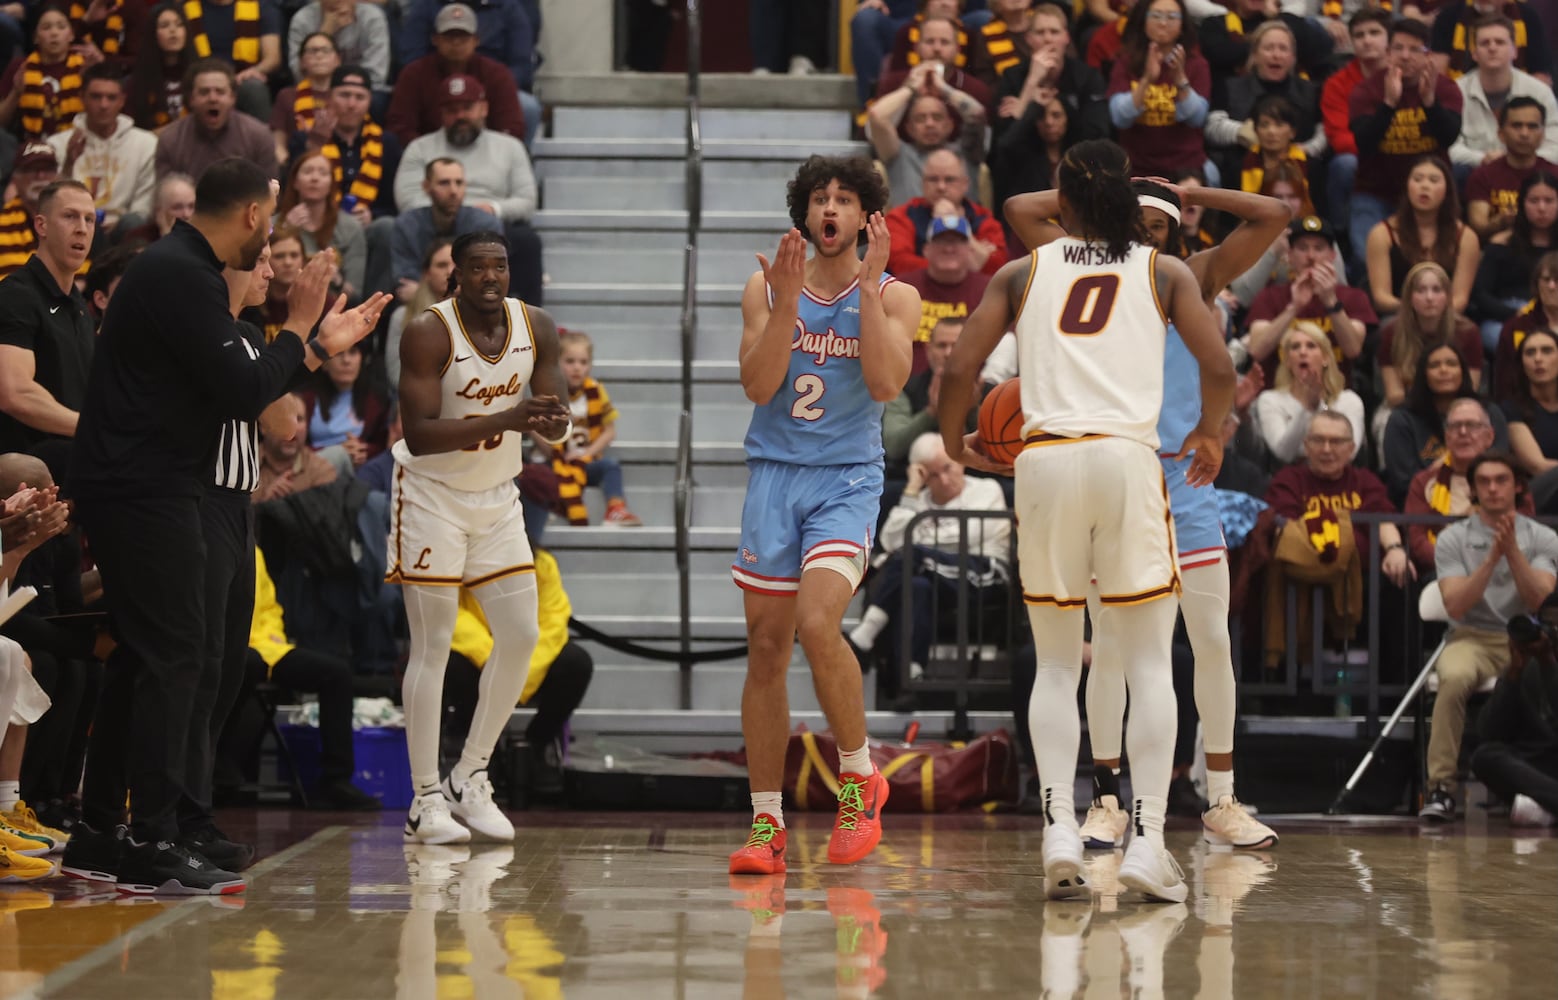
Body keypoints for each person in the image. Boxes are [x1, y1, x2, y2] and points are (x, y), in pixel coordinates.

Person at [63, 157, 386, 894]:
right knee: (176, 659)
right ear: (249, 217)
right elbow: (245, 390)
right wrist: (303, 329)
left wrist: (312, 343)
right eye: (269, 222)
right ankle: (153, 835)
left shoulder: (187, 273)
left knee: (155, 660)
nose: (270, 239)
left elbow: (246, 382)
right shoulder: (181, 274)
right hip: (147, 489)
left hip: (159, 487)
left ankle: (105, 830)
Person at [939, 139, 1235, 902]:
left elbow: (958, 368)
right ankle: (1144, 841)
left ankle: (1060, 829)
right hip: (1125, 460)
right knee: (1145, 662)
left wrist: (956, 446)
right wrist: (1208, 433)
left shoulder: (1020, 270)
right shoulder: (1163, 270)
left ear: (1063, 201)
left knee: (1059, 663)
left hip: (1043, 461)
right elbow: (1219, 367)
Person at [1005, 176, 1289, 852]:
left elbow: (1277, 213)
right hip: (1117, 471)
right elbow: (1019, 208)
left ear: (1179, 233)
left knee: (1211, 638)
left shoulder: (1188, 276)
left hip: (1183, 475)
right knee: (1110, 653)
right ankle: (1107, 799)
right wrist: (1102, 189)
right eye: (1138, 223)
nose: (1149, 236)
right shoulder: (1078, 267)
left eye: (1161, 226)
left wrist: (1195, 190)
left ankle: (1220, 795)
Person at [726, 155, 918, 876]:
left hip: (845, 481)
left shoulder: (898, 296)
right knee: (767, 649)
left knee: (816, 622)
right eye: (818, 199)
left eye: (844, 199)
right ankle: (767, 825)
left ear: (867, 217)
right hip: (775, 477)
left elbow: (884, 381)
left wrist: (867, 291)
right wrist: (782, 306)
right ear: (803, 215)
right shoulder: (764, 286)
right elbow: (759, 384)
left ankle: (860, 778)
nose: (829, 210)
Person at [388, 229, 570, 846]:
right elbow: (418, 435)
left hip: (497, 498)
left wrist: (556, 421)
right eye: (478, 268)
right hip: (431, 497)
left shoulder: (536, 325)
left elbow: (555, 411)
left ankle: (470, 775)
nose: (491, 277)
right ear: (454, 278)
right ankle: (423, 798)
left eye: (500, 266)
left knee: (520, 634)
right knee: (433, 645)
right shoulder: (428, 333)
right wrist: (512, 417)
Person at [1423, 450, 1558, 821]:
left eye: (1502, 480)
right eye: (1484, 481)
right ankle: (1441, 789)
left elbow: (1540, 599)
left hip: (1531, 638)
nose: (1494, 488)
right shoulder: (1453, 538)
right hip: (1472, 636)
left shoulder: (1543, 538)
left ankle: (1539, 779)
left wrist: (1512, 552)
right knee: (1452, 678)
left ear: (1517, 486)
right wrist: (1490, 559)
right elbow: (1455, 606)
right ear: (1474, 488)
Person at [847, 431, 1010, 703]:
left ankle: (865, 636)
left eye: (947, 468)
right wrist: (911, 490)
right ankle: (913, 676)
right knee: (915, 585)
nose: (944, 480)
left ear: (959, 462)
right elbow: (889, 541)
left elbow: (968, 536)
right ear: (923, 476)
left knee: (911, 555)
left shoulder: (987, 490)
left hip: (985, 574)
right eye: (933, 475)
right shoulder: (920, 503)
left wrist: (921, 543)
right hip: (937, 579)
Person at [445, 545, 594, 796]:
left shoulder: (542, 563)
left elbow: (553, 621)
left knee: (576, 662)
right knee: (453, 664)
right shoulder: (454, 559)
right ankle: (482, 756)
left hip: (527, 658)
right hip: (480, 656)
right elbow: (453, 615)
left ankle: (535, 747)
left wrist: (520, 670)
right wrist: (493, 657)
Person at [394, 74, 543, 305]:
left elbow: (526, 201)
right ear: (441, 114)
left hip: (487, 223)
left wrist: (491, 208)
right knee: (391, 230)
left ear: (484, 108)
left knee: (525, 240)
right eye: (452, 110)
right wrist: (446, 207)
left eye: (467, 108)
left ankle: (525, 318)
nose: (460, 116)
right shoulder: (419, 148)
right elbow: (407, 197)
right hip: (430, 223)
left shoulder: (510, 147)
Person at [1347, 19, 1464, 270]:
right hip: (1376, 192)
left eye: (1414, 50)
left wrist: (1430, 102)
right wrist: (1388, 104)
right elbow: (1364, 143)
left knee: (1438, 264)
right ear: (1388, 53)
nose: (1405, 56)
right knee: (1364, 258)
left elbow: (1449, 137)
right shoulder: (1366, 90)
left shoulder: (1445, 87)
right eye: (1398, 48)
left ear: (1428, 56)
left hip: (1431, 194)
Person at [0, 180, 96, 457]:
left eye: (89, 219)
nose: (82, 228)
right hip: (26, 466)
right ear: (41, 226)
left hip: (78, 458)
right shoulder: (15, 296)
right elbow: (14, 393)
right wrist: (92, 427)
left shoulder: (79, 305)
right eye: (70, 216)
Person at [1470, 590, 1558, 828]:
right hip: (1536, 769)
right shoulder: (1528, 664)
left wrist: (1549, 664)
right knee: (1485, 757)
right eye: (1547, 624)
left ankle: (1547, 806)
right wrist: (1513, 674)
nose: (1551, 633)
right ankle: (1549, 804)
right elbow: (1488, 732)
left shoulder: (1545, 661)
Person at [46, 63, 157, 243]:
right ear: (82, 98)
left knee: (133, 222)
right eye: (96, 97)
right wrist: (68, 164)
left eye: (111, 98)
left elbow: (144, 205)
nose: (103, 105)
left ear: (122, 100)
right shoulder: (58, 144)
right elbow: (50, 204)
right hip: (74, 231)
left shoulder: (146, 144)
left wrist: (119, 223)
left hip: (124, 231)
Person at [1106, 0, 1214, 181]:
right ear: (1144, 22)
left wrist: (1180, 79)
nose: (1163, 23)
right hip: (1137, 167)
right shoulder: (1125, 62)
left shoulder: (1197, 64)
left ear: (1182, 25)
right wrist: (1147, 79)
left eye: (1171, 17)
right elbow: (1120, 118)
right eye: (1156, 16)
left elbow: (1197, 118)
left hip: (1186, 167)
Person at [545, 330, 642, 527]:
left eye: (583, 362)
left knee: (610, 466)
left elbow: (609, 431)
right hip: (555, 461)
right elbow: (535, 431)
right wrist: (557, 451)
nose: (577, 368)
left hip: (586, 460)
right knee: (538, 471)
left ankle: (615, 509)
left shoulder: (595, 391)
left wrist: (586, 454)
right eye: (570, 361)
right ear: (557, 363)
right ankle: (546, 508)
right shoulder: (548, 392)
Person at [1364, 156, 1481, 317]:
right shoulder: (1381, 234)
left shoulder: (1466, 237)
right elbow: (1381, 298)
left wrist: (1434, 316)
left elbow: (1459, 300)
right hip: (1399, 316)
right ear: (1407, 187)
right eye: (1417, 180)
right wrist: (1419, 312)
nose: (1424, 186)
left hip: (1447, 318)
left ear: (1447, 190)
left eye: (1434, 180)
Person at [1321, 9, 1392, 245]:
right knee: (1344, 163)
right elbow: (1339, 138)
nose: (1367, 39)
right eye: (1360, 35)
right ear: (1352, 42)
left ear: (1389, 39)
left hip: (1401, 156)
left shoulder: (1404, 75)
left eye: (1374, 32)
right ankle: (1340, 237)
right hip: (1359, 161)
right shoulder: (1337, 83)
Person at [1254, 322, 1368, 465]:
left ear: (1326, 358)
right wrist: (1307, 407)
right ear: (1288, 361)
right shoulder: (1270, 400)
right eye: (1295, 347)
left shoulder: (1349, 400)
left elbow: (1350, 452)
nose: (1302, 352)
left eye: (1311, 346)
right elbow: (1283, 454)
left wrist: (1318, 406)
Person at [1473, 171, 1558, 353]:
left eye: (1549, 201)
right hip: (1507, 315)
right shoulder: (1501, 243)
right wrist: (1515, 315)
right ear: (1522, 204)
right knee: (1505, 339)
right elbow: (1480, 294)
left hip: (1555, 313)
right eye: (1534, 201)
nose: (1541, 208)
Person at [153, 58, 277, 182]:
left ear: (232, 98)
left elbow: (270, 193)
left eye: (220, 92)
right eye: (204, 92)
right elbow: (164, 195)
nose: (212, 98)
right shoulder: (171, 139)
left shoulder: (259, 136)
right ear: (191, 99)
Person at [271, 31, 339, 165]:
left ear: (337, 60)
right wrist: (291, 169)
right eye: (312, 51)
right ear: (302, 62)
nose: (319, 56)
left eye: (325, 50)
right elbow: (278, 144)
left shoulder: (346, 97)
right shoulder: (287, 95)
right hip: (298, 165)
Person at [127, 2, 196, 132]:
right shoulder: (137, 83)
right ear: (153, 33)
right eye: (164, 25)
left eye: (179, 24)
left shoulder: (200, 76)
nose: (173, 30)